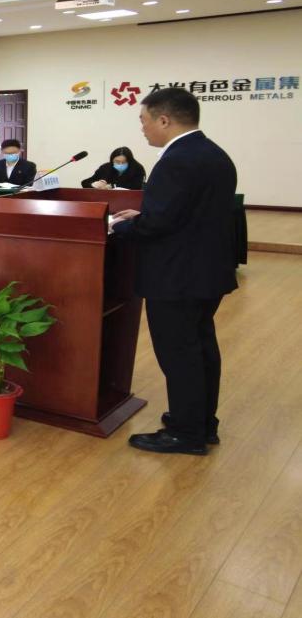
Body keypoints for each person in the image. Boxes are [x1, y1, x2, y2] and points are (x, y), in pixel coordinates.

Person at [109, 87, 237, 455]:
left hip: (177, 276)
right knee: (200, 348)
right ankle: (201, 422)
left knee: (179, 354)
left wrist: (119, 227)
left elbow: (158, 225)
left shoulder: (177, 160)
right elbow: (187, 214)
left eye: (144, 121)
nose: (143, 129)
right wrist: (144, 216)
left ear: (164, 120)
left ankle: (185, 433)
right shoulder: (212, 153)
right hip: (205, 272)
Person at [81, 146, 147, 190]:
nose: (120, 164)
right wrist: (94, 185)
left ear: (129, 161)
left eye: (124, 162)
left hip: (128, 201)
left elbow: (136, 186)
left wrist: (112, 186)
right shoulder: (105, 167)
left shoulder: (137, 169)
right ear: (112, 160)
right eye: (117, 162)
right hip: (106, 200)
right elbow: (85, 182)